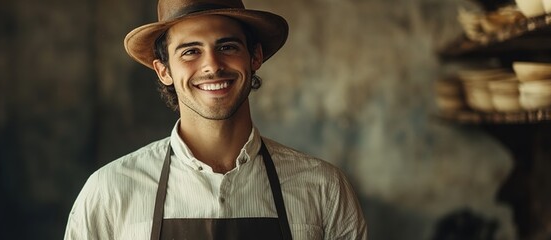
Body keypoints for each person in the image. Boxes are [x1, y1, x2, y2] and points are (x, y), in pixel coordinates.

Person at [64, 0, 367, 239]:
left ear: (255, 56)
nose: (212, 65)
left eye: (227, 47)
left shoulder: (323, 188)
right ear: (164, 71)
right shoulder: (110, 191)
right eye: (190, 51)